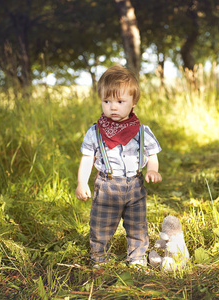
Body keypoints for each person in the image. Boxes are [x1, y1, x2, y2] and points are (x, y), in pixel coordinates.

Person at [76, 65, 162, 267]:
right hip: (107, 185)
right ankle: (99, 258)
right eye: (107, 101)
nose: (112, 107)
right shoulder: (95, 131)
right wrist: (82, 182)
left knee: (137, 225)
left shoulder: (142, 131)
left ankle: (137, 258)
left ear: (134, 102)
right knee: (101, 224)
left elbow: (152, 153)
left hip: (135, 184)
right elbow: (87, 158)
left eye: (120, 101)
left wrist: (152, 170)